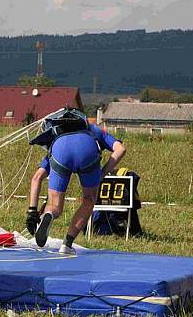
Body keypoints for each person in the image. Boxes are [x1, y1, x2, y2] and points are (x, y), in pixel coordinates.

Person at [27, 110, 126, 256]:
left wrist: (32, 212)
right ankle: (67, 244)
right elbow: (120, 149)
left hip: (60, 152)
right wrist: (102, 173)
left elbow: (37, 178)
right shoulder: (94, 130)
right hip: (87, 149)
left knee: (54, 205)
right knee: (88, 200)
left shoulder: (57, 139)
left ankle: (49, 215)